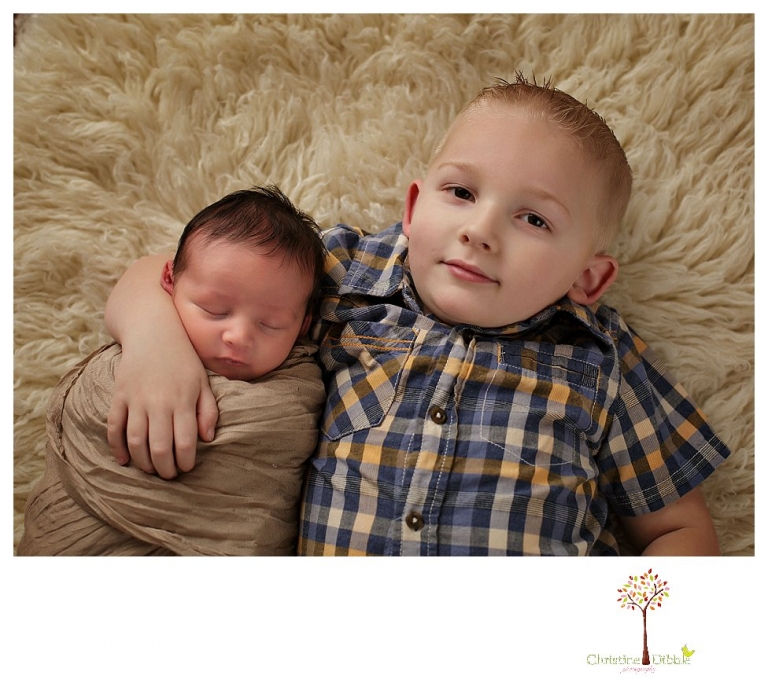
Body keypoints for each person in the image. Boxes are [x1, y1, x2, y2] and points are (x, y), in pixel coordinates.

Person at [103, 75, 730, 556]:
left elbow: (676, 526)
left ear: (587, 277)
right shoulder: (348, 276)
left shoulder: (599, 358)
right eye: (460, 192)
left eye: (534, 219)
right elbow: (168, 271)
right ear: (413, 206)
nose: (479, 231)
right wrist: (155, 347)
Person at [18, 186, 327, 556]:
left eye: (272, 324)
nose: (239, 336)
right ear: (169, 281)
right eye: (214, 310)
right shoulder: (133, 343)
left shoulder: (297, 385)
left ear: (304, 323)